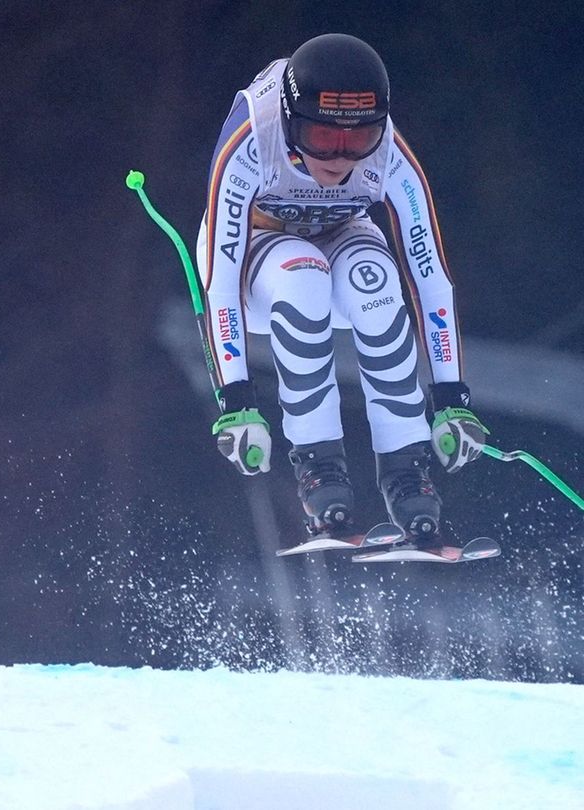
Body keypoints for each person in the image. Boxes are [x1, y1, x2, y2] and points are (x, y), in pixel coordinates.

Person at [196, 33, 488, 549]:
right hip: (259, 253)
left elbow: (429, 276)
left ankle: (407, 476)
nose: (339, 158)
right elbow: (219, 281)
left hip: (341, 234)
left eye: (358, 141)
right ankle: (320, 473)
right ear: (288, 121)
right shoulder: (250, 136)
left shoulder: (390, 153)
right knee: (303, 275)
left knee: (375, 284)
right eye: (321, 138)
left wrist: (452, 397)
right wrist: (236, 400)